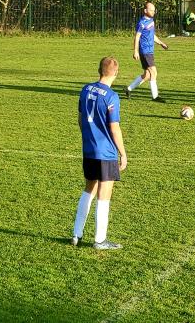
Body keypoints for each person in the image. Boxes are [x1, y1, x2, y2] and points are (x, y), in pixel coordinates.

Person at [70, 56, 127, 250]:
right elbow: (114, 128)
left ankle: (76, 234)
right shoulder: (111, 96)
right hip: (106, 152)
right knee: (104, 194)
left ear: (98, 70)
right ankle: (100, 240)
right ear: (116, 73)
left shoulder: (85, 89)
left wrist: (88, 138)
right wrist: (123, 153)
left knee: (89, 189)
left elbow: (79, 119)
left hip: (89, 149)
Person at [124, 2, 169, 101]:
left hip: (150, 51)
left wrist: (161, 43)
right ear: (145, 11)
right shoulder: (142, 23)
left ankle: (128, 89)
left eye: (154, 10)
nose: (153, 12)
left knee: (147, 75)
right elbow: (137, 37)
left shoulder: (151, 21)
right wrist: (135, 51)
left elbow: (151, 35)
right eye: (151, 10)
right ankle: (155, 96)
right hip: (144, 51)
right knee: (154, 72)